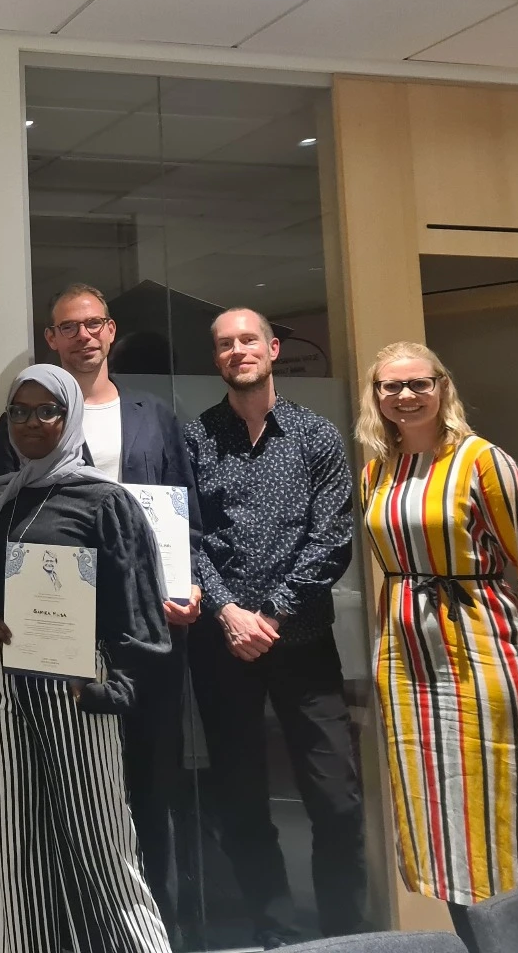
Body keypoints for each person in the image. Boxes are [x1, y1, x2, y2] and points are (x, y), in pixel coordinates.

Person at [0, 284, 202, 940]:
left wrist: (186, 588)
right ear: (51, 337)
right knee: (83, 799)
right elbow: (0, 519)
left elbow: (181, 513)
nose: (84, 335)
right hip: (59, 633)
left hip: (141, 627)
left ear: (110, 332)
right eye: (69, 326)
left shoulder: (153, 415)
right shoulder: (24, 419)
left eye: (94, 324)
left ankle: (156, 927)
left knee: (152, 783)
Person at [356, 341, 518, 948]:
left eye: (417, 383)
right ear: (377, 398)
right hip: (409, 666)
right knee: (437, 814)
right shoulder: (380, 468)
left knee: (505, 813)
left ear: (442, 388)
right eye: (390, 387)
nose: (404, 396)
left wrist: (514, 637)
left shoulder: (482, 461)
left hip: (483, 656)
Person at [0, 364, 172, 953]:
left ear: (69, 417)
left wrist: (116, 690)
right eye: (19, 413)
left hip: (77, 686)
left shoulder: (105, 501)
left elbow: (139, 605)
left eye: (46, 411)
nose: (31, 424)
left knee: (100, 842)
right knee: (9, 843)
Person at [184, 308, 365, 947]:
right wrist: (231, 613)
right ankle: (276, 932)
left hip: (304, 641)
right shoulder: (198, 437)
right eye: (225, 345)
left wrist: (271, 614)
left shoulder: (315, 436)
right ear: (217, 359)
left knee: (336, 801)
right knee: (240, 799)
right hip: (223, 646)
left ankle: (344, 935)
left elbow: (332, 537)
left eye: (248, 341)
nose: (238, 352)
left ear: (272, 348)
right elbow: (190, 537)